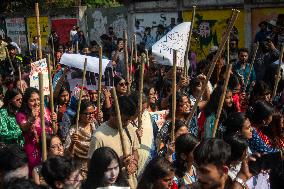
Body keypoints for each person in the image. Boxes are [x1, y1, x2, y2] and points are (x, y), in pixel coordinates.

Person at [88, 94, 140, 182]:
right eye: (124, 120)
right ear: (112, 113)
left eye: (129, 120)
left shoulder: (129, 127)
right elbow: (92, 167)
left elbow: (135, 151)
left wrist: (134, 163)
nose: (126, 123)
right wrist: (118, 164)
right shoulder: (98, 137)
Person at [16, 87, 57, 174]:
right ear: (26, 101)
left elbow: (54, 131)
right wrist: (32, 118)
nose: (36, 103)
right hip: (34, 150)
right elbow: (24, 127)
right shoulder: (21, 114)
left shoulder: (46, 111)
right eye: (32, 100)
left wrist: (54, 121)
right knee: (37, 175)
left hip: (48, 149)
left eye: (38, 99)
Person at [64, 100, 97, 179]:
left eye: (93, 113)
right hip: (79, 170)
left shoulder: (95, 126)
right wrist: (72, 143)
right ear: (80, 114)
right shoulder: (74, 130)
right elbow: (67, 154)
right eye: (88, 114)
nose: (91, 116)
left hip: (94, 168)